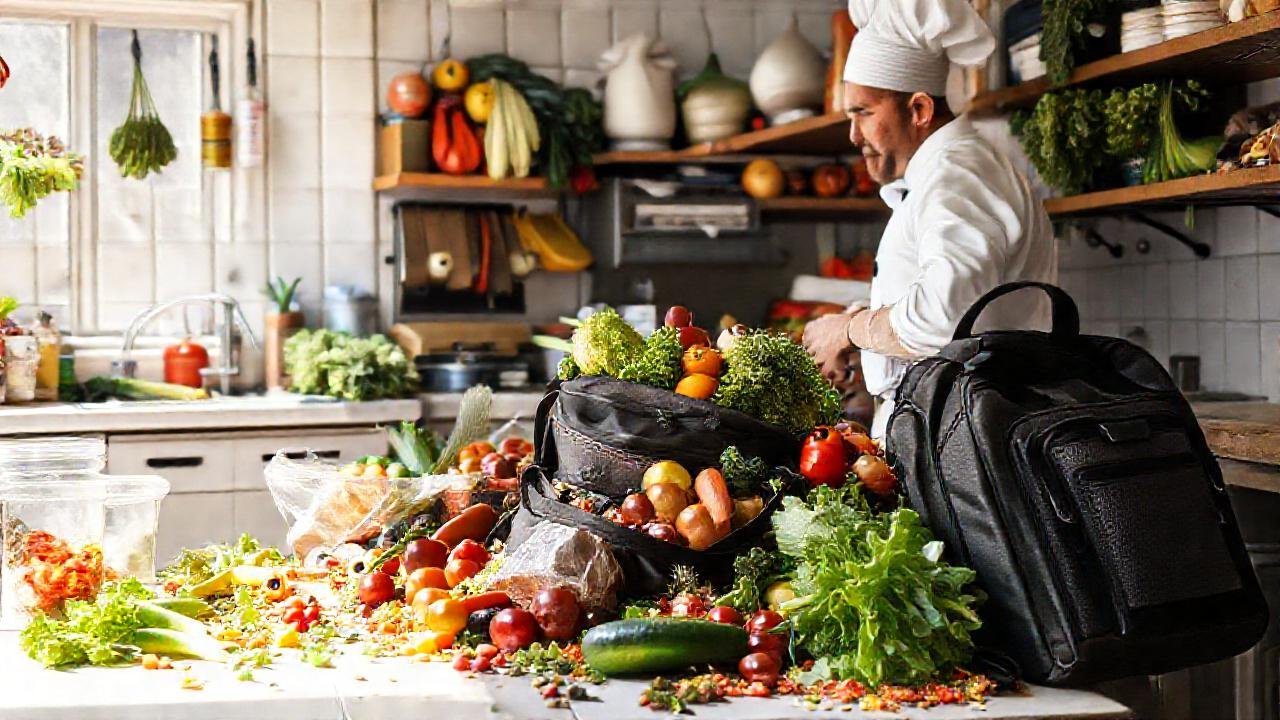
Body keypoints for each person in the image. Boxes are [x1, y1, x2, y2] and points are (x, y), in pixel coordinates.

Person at [803, 0, 1057, 438]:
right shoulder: (940, 175)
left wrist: (848, 329)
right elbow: (950, 311)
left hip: (967, 442)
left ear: (919, 110)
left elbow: (941, 319)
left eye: (863, 113)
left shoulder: (959, 174)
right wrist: (869, 345)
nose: (852, 135)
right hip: (949, 432)